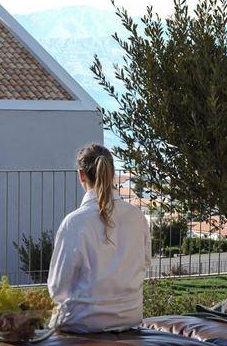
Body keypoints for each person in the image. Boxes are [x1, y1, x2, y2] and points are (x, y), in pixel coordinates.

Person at [47, 143, 151, 333]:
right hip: (130, 318)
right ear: (112, 175)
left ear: (81, 175)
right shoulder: (137, 216)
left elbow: (57, 289)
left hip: (82, 323)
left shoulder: (74, 222)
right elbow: (145, 263)